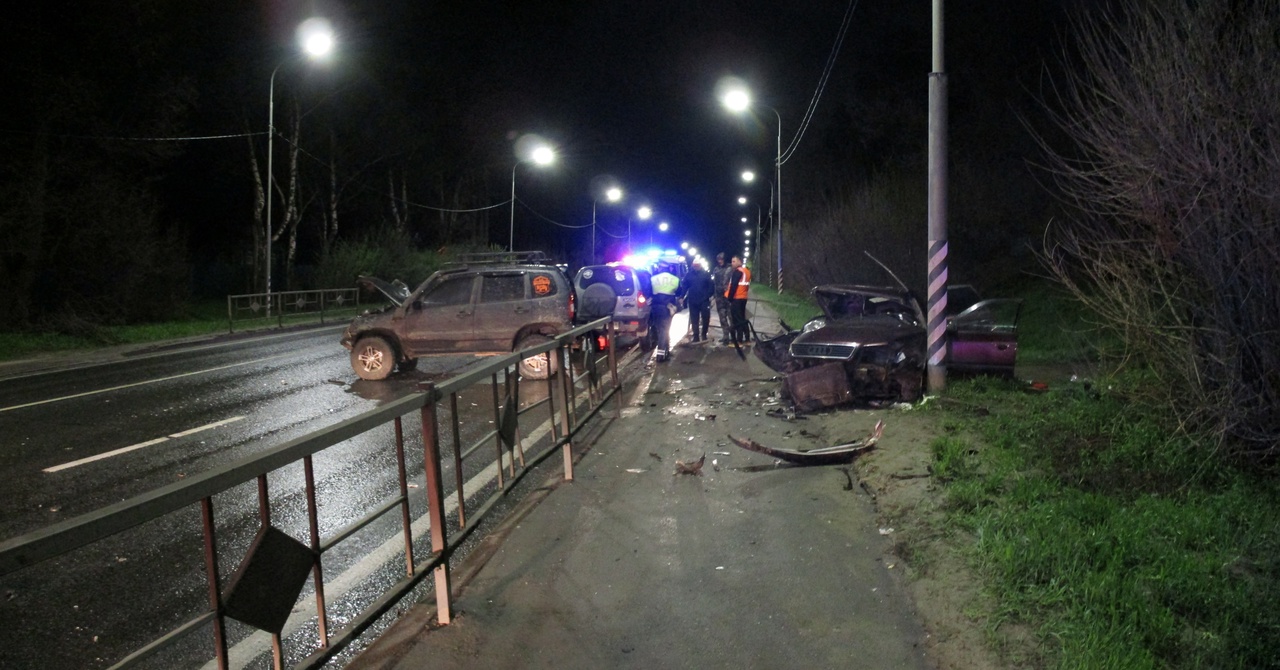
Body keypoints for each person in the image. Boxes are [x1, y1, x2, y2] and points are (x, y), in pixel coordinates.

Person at [649, 261, 683, 361]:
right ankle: (661, 354)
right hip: (668, 307)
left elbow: (649, 291)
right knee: (665, 330)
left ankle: (664, 351)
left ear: (660, 268)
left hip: (656, 307)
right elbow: (679, 292)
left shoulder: (653, 278)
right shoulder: (675, 279)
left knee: (660, 329)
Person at [679, 259, 715, 343]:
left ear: (700, 265)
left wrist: (709, 296)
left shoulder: (706, 274)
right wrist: (681, 296)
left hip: (704, 301)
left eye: (697, 265)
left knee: (705, 318)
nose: (696, 267)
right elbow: (685, 286)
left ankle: (704, 334)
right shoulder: (689, 275)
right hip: (693, 300)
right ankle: (696, 336)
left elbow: (711, 286)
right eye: (694, 265)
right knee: (694, 318)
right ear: (692, 265)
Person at [725, 255, 752, 345]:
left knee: (737, 320)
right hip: (743, 298)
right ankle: (747, 339)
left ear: (739, 262)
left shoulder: (737, 272)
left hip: (736, 298)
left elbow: (733, 286)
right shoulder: (747, 271)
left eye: (734, 261)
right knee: (743, 319)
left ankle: (739, 341)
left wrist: (729, 298)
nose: (732, 263)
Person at [711, 252, 734, 344]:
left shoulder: (730, 269)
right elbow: (714, 283)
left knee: (731, 317)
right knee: (722, 317)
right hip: (719, 296)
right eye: (718, 259)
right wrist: (713, 295)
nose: (720, 261)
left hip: (729, 296)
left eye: (721, 259)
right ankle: (725, 336)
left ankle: (733, 336)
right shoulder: (716, 269)